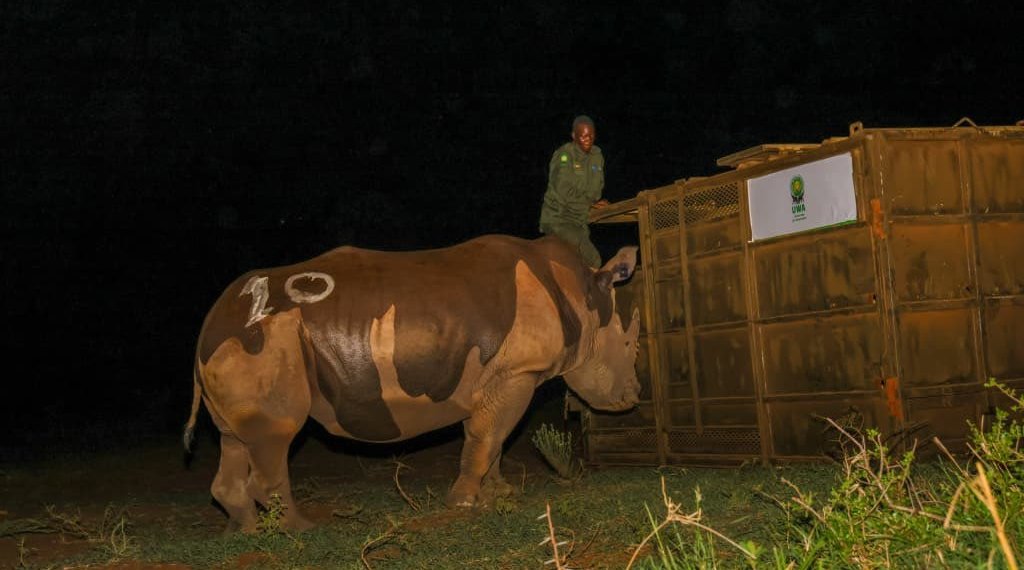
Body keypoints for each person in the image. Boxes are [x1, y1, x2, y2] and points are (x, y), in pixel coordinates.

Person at [539, 115, 609, 268]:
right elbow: (563, 192)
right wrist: (588, 205)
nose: (588, 139)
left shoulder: (597, 156)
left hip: (580, 221)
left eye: (591, 135)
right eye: (583, 136)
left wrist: (595, 203)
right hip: (559, 219)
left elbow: (596, 188)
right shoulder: (564, 156)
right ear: (574, 136)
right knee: (593, 260)